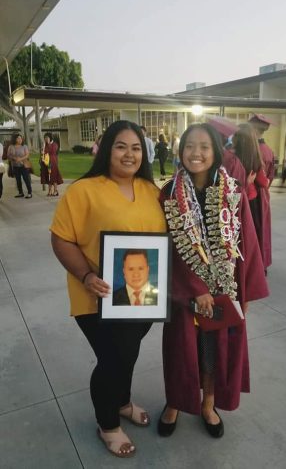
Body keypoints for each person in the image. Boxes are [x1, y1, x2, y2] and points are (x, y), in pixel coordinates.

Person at [50, 120, 166, 458]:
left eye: (135, 147)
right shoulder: (83, 190)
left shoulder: (151, 190)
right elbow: (61, 238)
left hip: (142, 299)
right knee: (113, 358)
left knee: (127, 353)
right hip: (95, 297)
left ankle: (123, 401)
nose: (129, 154)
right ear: (106, 150)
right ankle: (107, 424)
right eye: (121, 146)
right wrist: (86, 275)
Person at [158, 123, 269, 439]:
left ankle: (208, 404)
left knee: (212, 353)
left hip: (222, 291)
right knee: (181, 351)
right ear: (181, 151)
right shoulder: (169, 193)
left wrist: (244, 292)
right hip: (183, 296)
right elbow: (169, 248)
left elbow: (247, 240)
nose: (196, 153)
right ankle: (175, 403)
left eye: (204, 146)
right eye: (190, 146)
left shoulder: (232, 192)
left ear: (215, 151)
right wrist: (195, 289)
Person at [232, 124, 270, 261]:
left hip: (235, 201)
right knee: (252, 234)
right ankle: (254, 262)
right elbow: (264, 182)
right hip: (251, 202)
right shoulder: (255, 159)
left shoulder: (232, 159)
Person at [248, 114, 274, 270]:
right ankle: (262, 263)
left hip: (253, 194)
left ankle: (256, 265)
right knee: (262, 229)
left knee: (254, 229)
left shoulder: (253, 150)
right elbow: (271, 176)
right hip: (263, 194)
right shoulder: (268, 150)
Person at [7, 133, 32, 199]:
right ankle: (20, 193)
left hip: (24, 165)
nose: (20, 139)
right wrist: (15, 158)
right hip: (15, 166)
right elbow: (8, 155)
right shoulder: (11, 146)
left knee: (26, 179)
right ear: (15, 139)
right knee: (18, 180)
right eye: (18, 138)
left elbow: (27, 155)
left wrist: (20, 159)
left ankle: (29, 193)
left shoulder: (24, 146)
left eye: (21, 138)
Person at [41, 132, 63, 196]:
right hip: (46, 162)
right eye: (45, 138)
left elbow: (53, 151)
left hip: (53, 162)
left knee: (54, 177)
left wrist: (47, 145)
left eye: (47, 137)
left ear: (50, 138)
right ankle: (50, 190)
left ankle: (55, 191)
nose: (46, 139)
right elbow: (43, 153)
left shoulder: (54, 144)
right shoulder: (45, 145)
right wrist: (44, 147)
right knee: (48, 177)